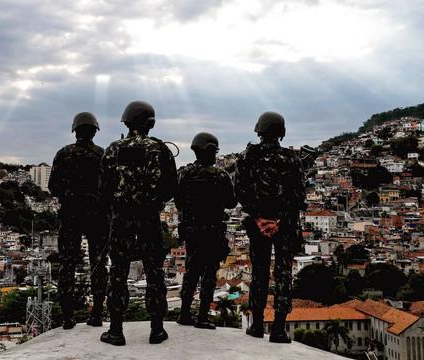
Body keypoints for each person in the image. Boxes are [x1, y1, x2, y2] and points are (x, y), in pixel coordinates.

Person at [99, 101, 177, 346]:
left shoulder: (113, 149)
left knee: (118, 273)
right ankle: (157, 329)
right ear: (150, 123)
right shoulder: (159, 149)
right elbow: (171, 186)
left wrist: (117, 204)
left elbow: (103, 188)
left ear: (126, 122)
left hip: (121, 218)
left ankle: (116, 330)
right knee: (154, 273)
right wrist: (153, 201)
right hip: (149, 218)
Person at [234, 111, 306, 343]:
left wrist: (258, 218)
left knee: (259, 273)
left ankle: (256, 325)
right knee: (284, 274)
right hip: (285, 225)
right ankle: (278, 329)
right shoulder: (292, 159)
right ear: (281, 132)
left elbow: (239, 192)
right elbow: (299, 197)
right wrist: (280, 221)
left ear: (259, 130)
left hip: (258, 225)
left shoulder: (247, 156)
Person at [48, 112, 109, 330]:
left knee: (67, 264)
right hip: (97, 216)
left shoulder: (64, 154)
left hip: (71, 215)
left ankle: (67, 317)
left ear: (75, 131)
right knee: (99, 264)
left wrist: (70, 195)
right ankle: (97, 314)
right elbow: (110, 187)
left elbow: (53, 186)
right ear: (95, 131)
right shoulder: (103, 155)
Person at [175, 132, 236, 330]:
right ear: (211, 151)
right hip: (212, 231)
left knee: (191, 273)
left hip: (192, 232)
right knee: (209, 275)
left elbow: (177, 200)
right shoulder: (220, 175)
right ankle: (202, 317)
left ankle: (184, 314)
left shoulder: (184, 174)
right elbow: (230, 202)